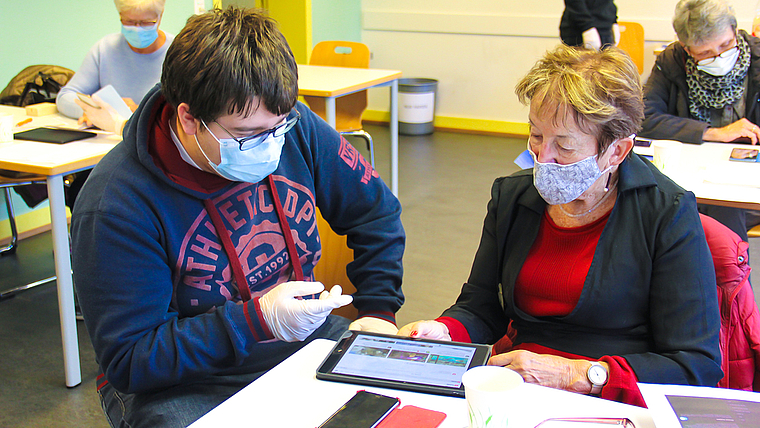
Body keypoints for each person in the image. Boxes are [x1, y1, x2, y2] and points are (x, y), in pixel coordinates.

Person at [71, 7, 404, 427]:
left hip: (303, 339)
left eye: (277, 127)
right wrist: (257, 320)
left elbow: (376, 211)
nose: (270, 147)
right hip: (188, 381)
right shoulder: (116, 205)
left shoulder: (294, 128)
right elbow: (132, 360)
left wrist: (378, 311)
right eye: (248, 135)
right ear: (189, 118)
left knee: (407, 403)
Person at [399, 45, 722, 407]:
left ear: (616, 151)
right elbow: (481, 306)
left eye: (564, 145)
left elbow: (695, 364)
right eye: (536, 135)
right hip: (519, 385)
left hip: (611, 398)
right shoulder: (514, 197)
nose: (542, 157)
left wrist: (578, 375)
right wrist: (444, 332)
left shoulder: (666, 212)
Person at [641, 0, 760, 242]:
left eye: (727, 44)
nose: (719, 56)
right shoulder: (672, 61)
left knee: (723, 209)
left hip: (745, 182)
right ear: (686, 48)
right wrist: (714, 132)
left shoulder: (756, 59)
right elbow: (644, 117)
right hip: (691, 173)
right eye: (705, 53)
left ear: (736, 31)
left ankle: (727, 276)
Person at [56, 0, 174, 135]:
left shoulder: (179, 54)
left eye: (146, 22)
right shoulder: (105, 49)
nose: (137, 28)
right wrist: (94, 111)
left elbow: (187, 114)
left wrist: (141, 112)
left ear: (160, 16)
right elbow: (65, 97)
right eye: (129, 22)